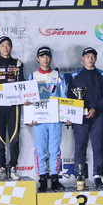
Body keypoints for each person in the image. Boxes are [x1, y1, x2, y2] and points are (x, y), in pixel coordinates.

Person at [68, 47, 103, 189]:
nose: (90, 59)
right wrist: (73, 113)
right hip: (80, 117)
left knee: (98, 147)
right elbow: (70, 98)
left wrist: (95, 109)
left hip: (97, 115)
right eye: (87, 56)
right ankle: (80, 176)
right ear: (82, 58)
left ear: (96, 58)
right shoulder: (75, 76)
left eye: (93, 56)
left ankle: (97, 177)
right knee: (80, 146)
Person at [28, 46, 67, 192]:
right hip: (39, 120)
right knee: (40, 149)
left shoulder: (58, 76)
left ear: (50, 58)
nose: (45, 59)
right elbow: (28, 101)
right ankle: (43, 179)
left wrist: (66, 116)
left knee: (54, 149)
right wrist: (29, 118)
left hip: (54, 119)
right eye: (42, 56)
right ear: (37, 59)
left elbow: (64, 98)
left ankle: (55, 179)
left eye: (47, 56)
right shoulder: (32, 77)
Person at [0, 36, 25, 180]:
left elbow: (22, 83)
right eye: (3, 45)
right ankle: (2, 167)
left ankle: (13, 167)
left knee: (14, 137)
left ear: (11, 47)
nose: (5, 48)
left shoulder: (18, 63)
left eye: (8, 45)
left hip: (13, 106)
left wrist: (26, 97)